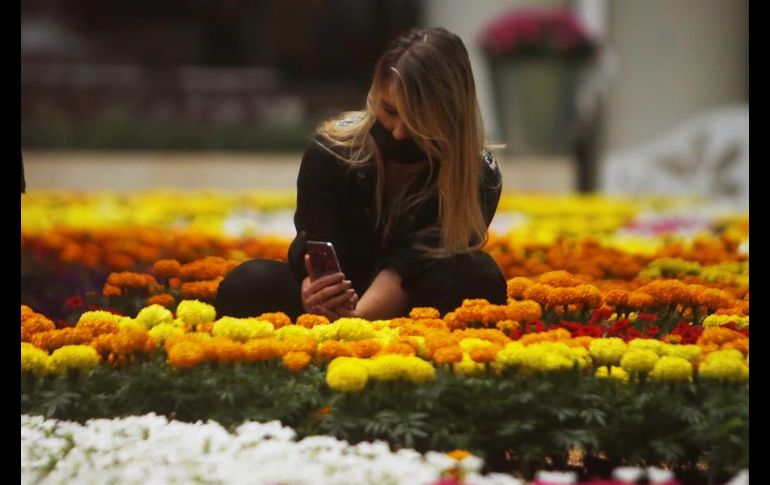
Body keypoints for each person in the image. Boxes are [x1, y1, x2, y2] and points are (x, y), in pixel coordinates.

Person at [215, 27, 507, 322]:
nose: (399, 132)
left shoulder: (479, 174)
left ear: (450, 113)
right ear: (376, 94)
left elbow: (409, 266)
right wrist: (314, 292)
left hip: (414, 302)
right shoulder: (332, 149)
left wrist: (356, 321)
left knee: (477, 276)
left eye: (418, 120)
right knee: (249, 282)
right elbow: (318, 246)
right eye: (390, 111)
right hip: (331, 298)